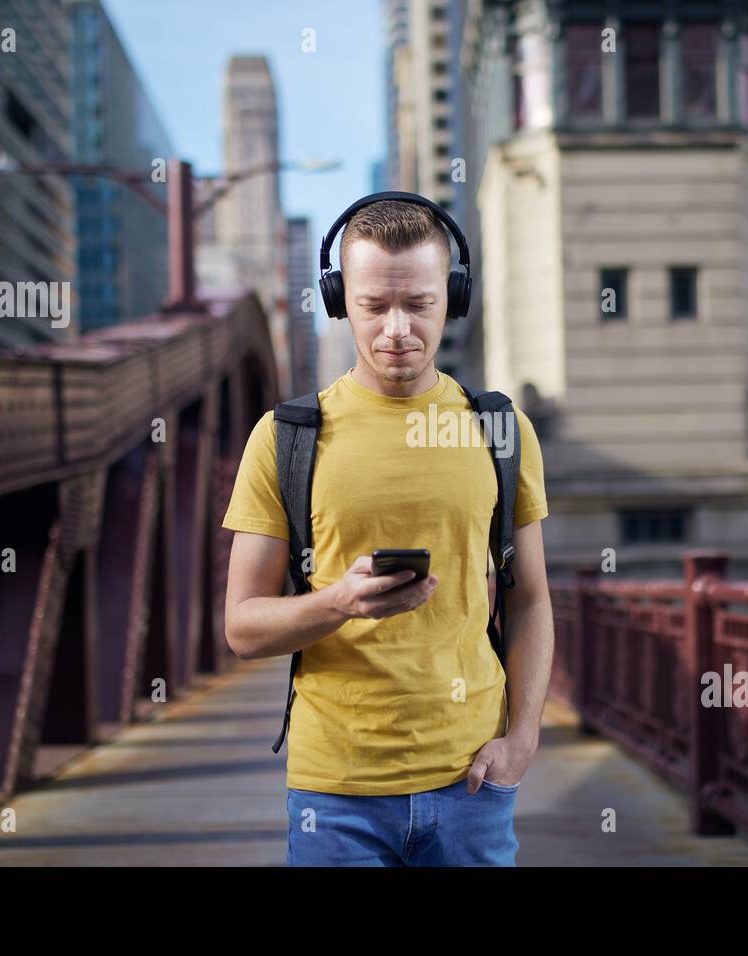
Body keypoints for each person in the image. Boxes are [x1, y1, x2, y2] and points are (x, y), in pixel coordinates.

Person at [221, 194, 554, 866]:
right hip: (334, 795)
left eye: (420, 304)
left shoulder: (501, 431)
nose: (397, 328)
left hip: (474, 783)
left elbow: (531, 598)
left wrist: (522, 740)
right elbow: (242, 626)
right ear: (342, 301)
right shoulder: (284, 439)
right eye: (375, 306)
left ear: (451, 298)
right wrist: (338, 601)